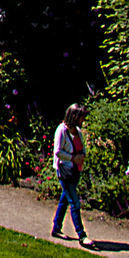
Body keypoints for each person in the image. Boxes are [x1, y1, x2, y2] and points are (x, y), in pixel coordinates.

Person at [51, 103, 90, 243]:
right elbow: (58, 152)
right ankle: (82, 235)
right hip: (65, 170)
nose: (83, 120)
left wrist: (82, 155)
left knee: (65, 200)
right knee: (74, 202)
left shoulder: (77, 131)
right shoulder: (61, 130)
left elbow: (82, 147)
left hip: (75, 170)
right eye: (81, 117)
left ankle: (56, 228)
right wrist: (73, 158)